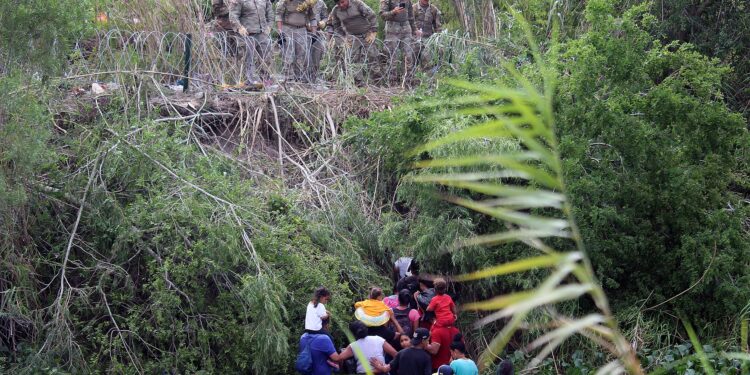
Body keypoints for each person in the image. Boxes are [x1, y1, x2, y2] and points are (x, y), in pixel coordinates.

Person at [329, 0, 379, 83]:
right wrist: (343, 39)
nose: (341, 5)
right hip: (352, 37)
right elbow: (336, 26)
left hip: (367, 35)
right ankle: (359, 83)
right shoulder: (336, 10)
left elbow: (372, 16)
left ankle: (377, 82)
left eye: (342, 2)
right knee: (354, 60)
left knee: (373, 57)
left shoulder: (357, 4)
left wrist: (373, 32)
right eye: (338, 4)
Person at [228, 0, 274, 86]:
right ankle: (251, 81)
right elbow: (233, 15)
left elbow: (270, 13)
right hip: (247, 34)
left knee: (266, 57)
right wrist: (239, 27)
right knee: (249, 58)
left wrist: (269, 26)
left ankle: (265, 80)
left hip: (262, 33)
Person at [276, 0, 316, 82]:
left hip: (301, 29)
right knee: (288, 53)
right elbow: (279, 16)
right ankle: (289, 77)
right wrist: (280, 32)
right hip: (287, 28)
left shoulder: (308, 2)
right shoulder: (285, 2)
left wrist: (314, 33)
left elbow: (312, 17)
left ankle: (299, 76)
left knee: (302, 53)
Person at [379, 0, 416, 84]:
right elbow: (382, 15)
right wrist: (393, 12)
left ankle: (407, 82)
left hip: (406, 29)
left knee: (408, 56)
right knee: (392, 57)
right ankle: (392, 82)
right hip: (392, 30)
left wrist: (415, 30)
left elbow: (411, 16)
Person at [412, 0, 441, 68]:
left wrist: (437, 40)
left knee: (427, 61)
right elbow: (409, 23)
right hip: (414, 39)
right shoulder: (413, 8)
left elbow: (438, 27)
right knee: (412, 60)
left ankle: (426, 75)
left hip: (428, 40)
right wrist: (415, 31)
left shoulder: (434, 9)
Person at [308, 0, 329, 82]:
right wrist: (306, 24)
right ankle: (302, 77)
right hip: (303, 32)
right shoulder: (301, 2)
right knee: (303, 56)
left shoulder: (321, 3)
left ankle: (313, 78)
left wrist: (323, 22)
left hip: (317, 33)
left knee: (317, 56)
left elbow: (326, 17)